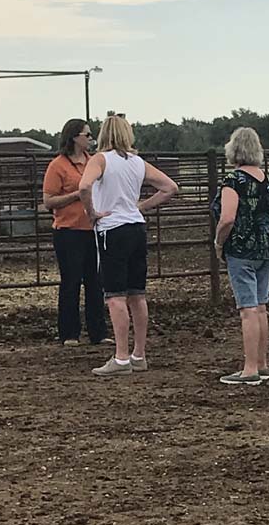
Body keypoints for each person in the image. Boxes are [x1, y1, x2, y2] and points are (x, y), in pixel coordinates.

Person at [78, 115, 178, 377]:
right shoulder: (137, 162)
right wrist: (141, 207)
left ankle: (121, 357)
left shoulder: (100, 159)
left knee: (115, 295)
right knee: (137, 293)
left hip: (112, 229)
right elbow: (170, 187)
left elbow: (84, 185)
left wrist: (91, 212)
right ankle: (139, 354)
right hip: (136, 228)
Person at [214, 127, 269, 385]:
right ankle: (262, 364)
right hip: (266, 247)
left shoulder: (233, 181)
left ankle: (249, 368)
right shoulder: (267, 180)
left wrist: (219, 241)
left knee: (248, 309)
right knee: (261, 306)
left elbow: (227, 218)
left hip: (241, 249)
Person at [42, 119, 112, 347]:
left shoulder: (94, 163)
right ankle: (69, 333)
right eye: (87, 135)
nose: (91, 139)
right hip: (68, 231)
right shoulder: (57, 166)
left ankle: (98, 332)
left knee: (96, 282)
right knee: (70, 282)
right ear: (74, 137)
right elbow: (48, 201)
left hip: (92, 229)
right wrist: (76, 195)